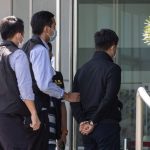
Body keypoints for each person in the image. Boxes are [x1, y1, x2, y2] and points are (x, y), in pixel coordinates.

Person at [22, 11, 80, 149]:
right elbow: (43, 85)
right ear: (46, 29)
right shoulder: (40, 49)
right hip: (38, 110)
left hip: (26, 111)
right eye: (54, 25)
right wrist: (66, 95)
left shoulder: (27, 46)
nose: (55, 30)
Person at [71, 29, 123, 150]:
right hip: (106, 125)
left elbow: (74, 99)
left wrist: (83, 121)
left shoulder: (81, 70)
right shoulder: (113, 69)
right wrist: (93, 122)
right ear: (112, 47)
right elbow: (109, 98)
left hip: (87, 129)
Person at [0, 16, 40, 150]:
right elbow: (25, 89)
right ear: (18, 35)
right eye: (22, 35)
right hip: (11, 117)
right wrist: (34, 113)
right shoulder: (18, 55)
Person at [47, 42, 68, 150]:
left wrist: (63, 131)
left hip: (52, 131)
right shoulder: (31, 75)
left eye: (48, 52)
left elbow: (61, 104)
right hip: (35, 132)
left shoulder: (57, 76)